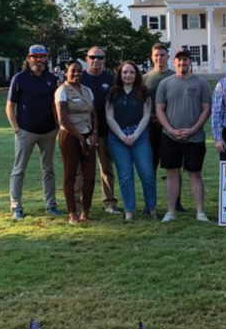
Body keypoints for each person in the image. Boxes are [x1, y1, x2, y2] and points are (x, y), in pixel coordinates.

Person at [6, 45, 63, 220]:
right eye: (35, 57)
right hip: (26, 131)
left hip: (48, 131)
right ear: (29, 58)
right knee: (19, 170)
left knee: (49, 170)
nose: (38, 60)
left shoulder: (51, 79)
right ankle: (16, 207)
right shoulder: (19, 78)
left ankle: (51, 205)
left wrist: (58, 125)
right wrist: (16, 128)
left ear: (46, 58)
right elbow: (10, 106)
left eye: (42, 57)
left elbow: (56, 104)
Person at [155, 49, 212, 222]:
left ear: (190, 62)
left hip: (194, 138)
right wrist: (171, 130)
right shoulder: (165, 83)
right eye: (179, 60)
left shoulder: (201, 83)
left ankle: (200, 212)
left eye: (185, 60)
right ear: (174, 62)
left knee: (195, 173)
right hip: (170, 137)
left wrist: (193, 129)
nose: (182, 63)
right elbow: (159, 109)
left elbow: (206, 109)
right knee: (172, 173)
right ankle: (171, 211)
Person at [106, 60, 158, 221]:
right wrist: (122, 136)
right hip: (117, 137)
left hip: (139, 136)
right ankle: (129, 210)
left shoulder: (143, 92)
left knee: (147, 174)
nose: (128, 75)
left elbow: (146, 115)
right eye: (125, 72)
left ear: (136, 75)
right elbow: (109, 116)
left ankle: (151, 208)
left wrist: (135, 135)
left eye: (131, 72)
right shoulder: (113, 93)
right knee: (125, 176)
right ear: (120, 75)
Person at [79, 46, 120, 215]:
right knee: (82, 169)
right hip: (83, 131)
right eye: (92, 57)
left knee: (106, 169)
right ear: (86, 58)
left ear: (105, 59)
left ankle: (109, 203)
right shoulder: (79, 77)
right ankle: (80, 203)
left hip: (104, 130)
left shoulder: (110, 79)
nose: (96, 60)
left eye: (100, 57)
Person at [55, 60, 97, 224]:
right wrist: (79, 138)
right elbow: (63, 119)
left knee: (89, 176)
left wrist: (94, 133)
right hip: (70, 137)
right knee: (70, 175)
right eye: (73, 71)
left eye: (79, 71)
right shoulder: (62, 91)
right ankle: (72, 212)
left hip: (87, 135)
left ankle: (85, 212)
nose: (77, 74)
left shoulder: (87, 90)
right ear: (66, 72)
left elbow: (93, 115)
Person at [142, 43, 183, 208]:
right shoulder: (145, 79)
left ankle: (176, 203)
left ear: (168, 57)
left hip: (171, 128)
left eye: (162, 55)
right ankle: (149, 204)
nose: (159, 58)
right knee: (149, 167)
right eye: (156, 55)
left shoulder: (176, 76)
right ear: (152, 57)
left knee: (173, 167)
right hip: (150, 128)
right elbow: (142, 104)